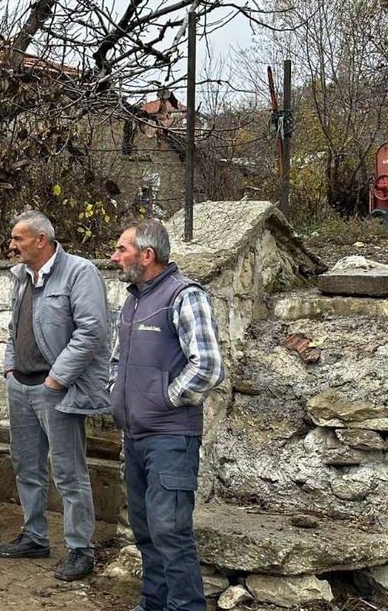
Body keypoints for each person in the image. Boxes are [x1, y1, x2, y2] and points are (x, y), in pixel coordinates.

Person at [109, 219, 225, 611]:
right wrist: (116, 393)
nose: (114, 256)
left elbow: (207, 366)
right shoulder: (133, 298)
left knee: (170, 532)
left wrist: (162, 399)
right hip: (136, 436)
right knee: (145, 530)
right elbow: (117, 359)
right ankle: (153, 603)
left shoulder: (184, 296)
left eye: (121, 249)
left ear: (147, 254)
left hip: (171, 439)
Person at [0, 211, 110, 582]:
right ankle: (34, 536)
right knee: (26, 465)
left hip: (55, 390)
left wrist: (57, 380)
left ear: (41, 240)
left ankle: (80, 548)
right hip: (22, 386)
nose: (12, 245)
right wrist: (11, 369)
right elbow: (15, 327)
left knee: (68, 471)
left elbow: (91, 332)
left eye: (18, 239)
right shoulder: (22, 277)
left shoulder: (79, 273)